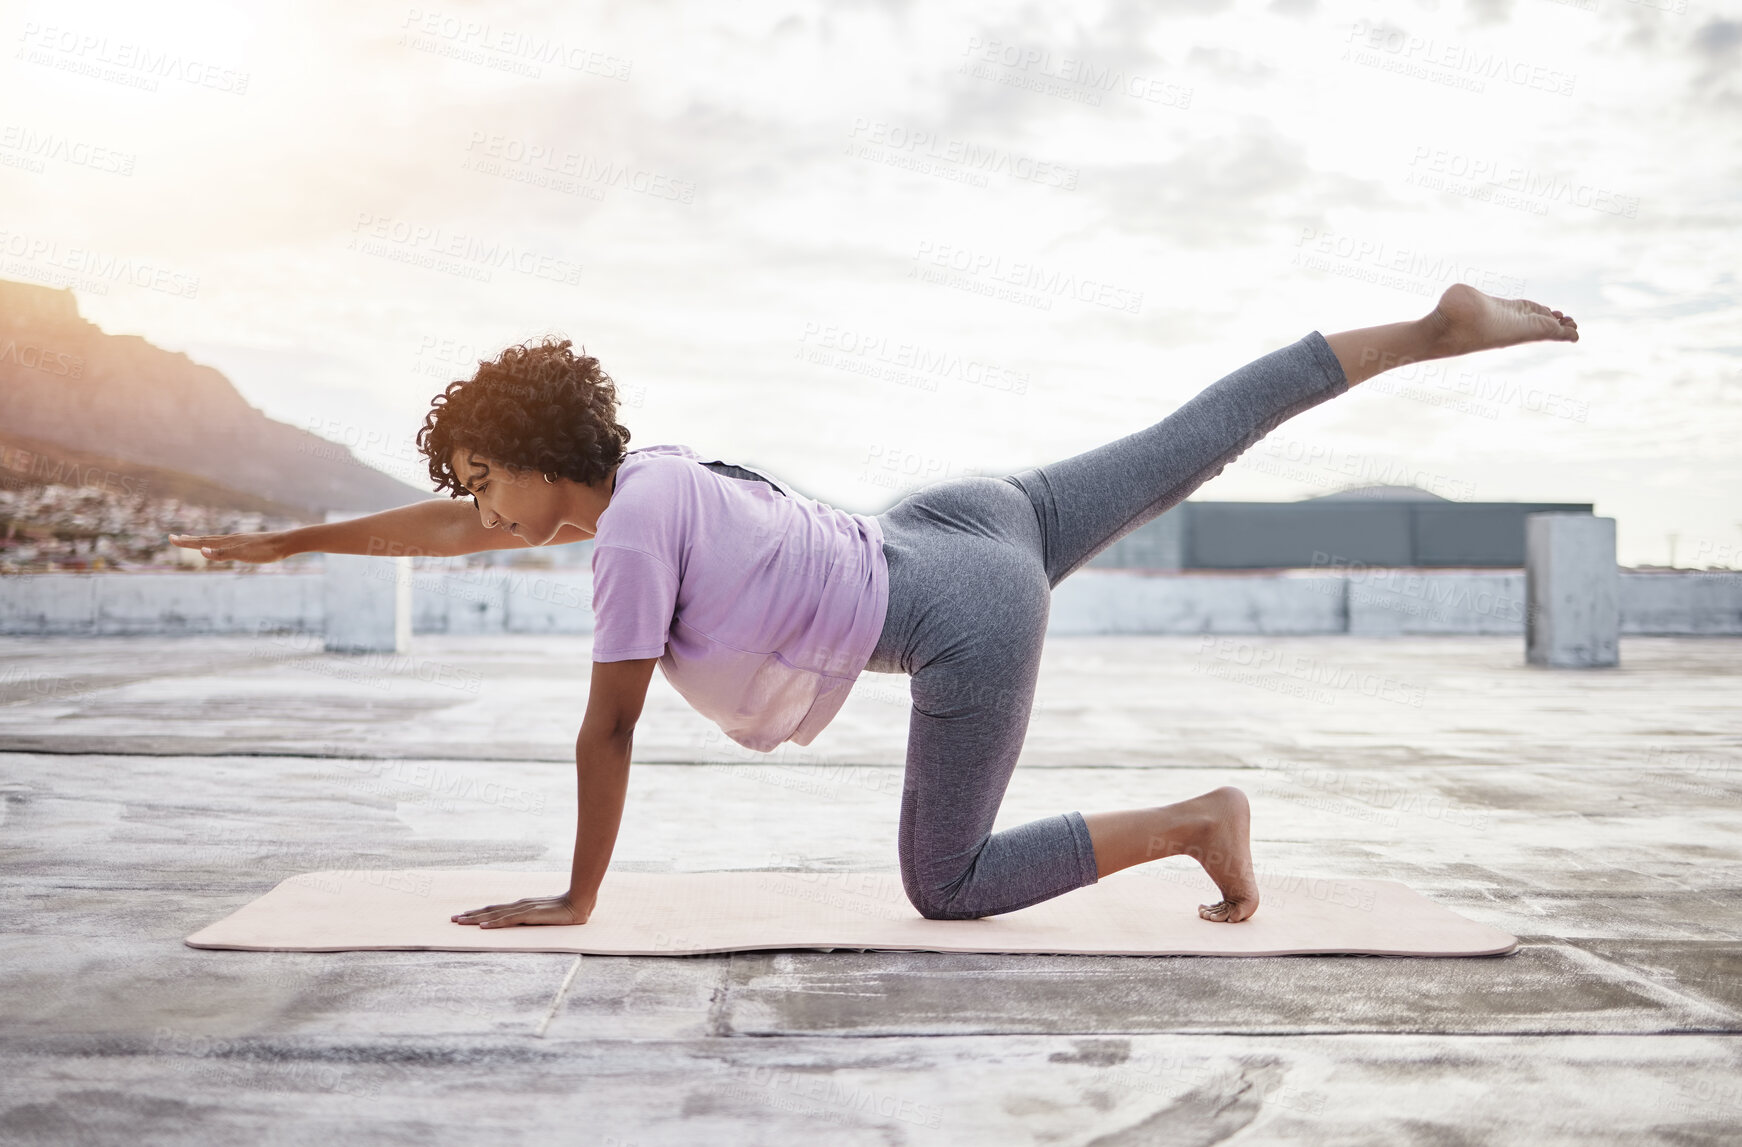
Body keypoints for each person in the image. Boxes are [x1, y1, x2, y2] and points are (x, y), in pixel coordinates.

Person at [170, 283, 1578, 930]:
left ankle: (1197, 823)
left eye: (487, 480)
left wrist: (577, 895)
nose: (480, 509)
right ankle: (1423, 331)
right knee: (1183, 440)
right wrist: (294, 540)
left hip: (963, 610)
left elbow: (608, 733)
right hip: (962, 514)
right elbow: (446, 531)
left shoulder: (620, 544)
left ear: (543, 465)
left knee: (944, 886)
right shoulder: (646, 478)